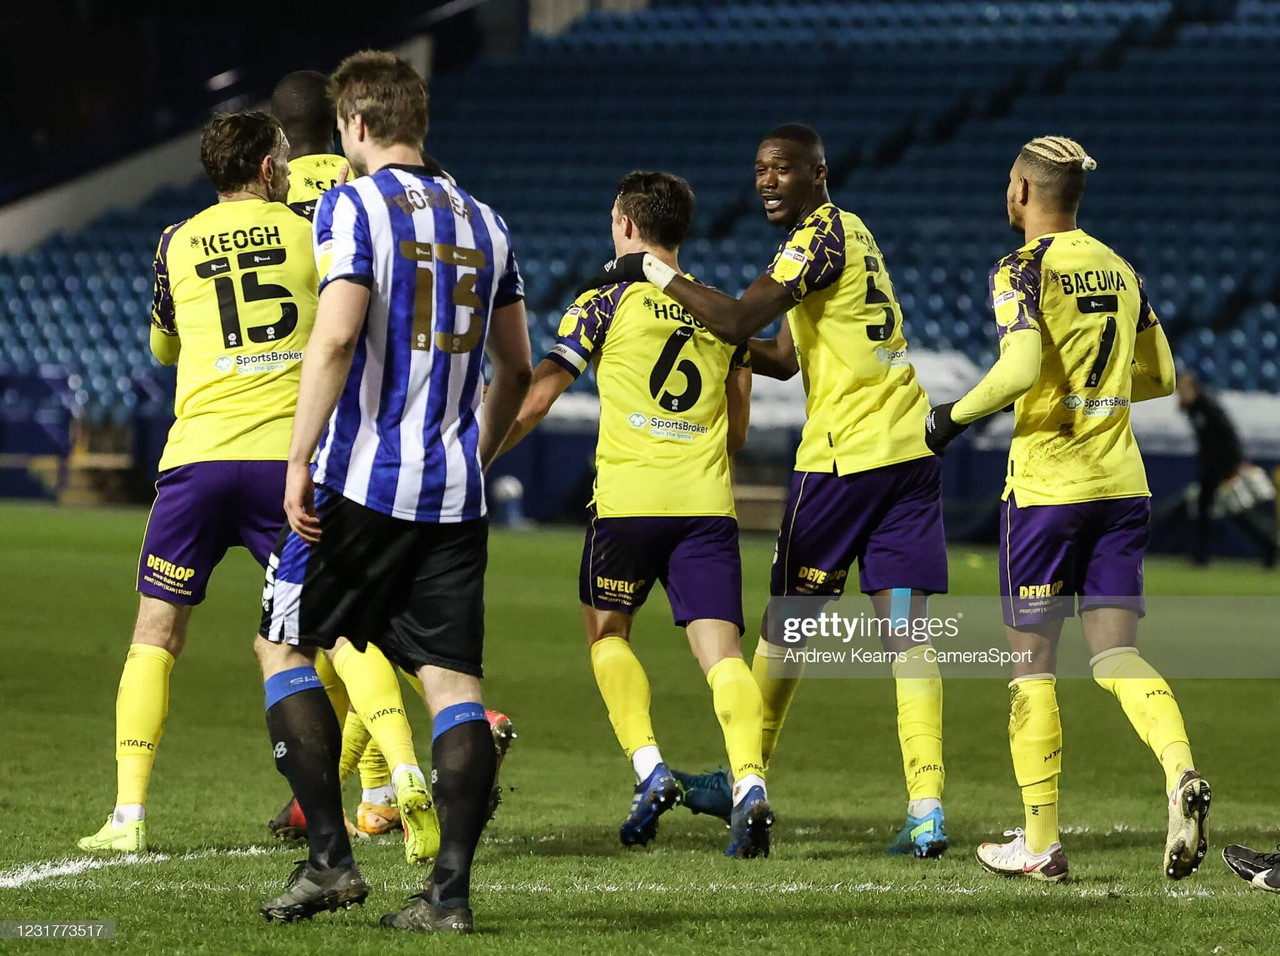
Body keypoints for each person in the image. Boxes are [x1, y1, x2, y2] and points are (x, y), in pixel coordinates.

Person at [580, 124, 950, 858]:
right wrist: (709, 334)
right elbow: (780, 354)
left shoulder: (815, 238)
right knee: (908, 638)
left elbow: (744, 318)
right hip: (909, 455)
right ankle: (927, 806)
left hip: (845, 463)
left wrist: (651, 277)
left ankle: (746, 774)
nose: (766, 181)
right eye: (759, 170)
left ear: (820, 173)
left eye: (782, 168)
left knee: (788, 631)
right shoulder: (854, 232)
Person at [255, 51, 531, 931]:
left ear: (358, 127)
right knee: (453, 689)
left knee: (281, 642)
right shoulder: (488, 221)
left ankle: (332, 861)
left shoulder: (350, 202)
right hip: (453, 493)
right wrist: (475, 455)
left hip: (360, 481)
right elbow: (516, 368)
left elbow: (335, 340)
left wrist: (299, 459)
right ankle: (447, 896)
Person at [924, 135, 1210, 883]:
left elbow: (1017, 368)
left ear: (1022, 190)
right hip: (1122, 485)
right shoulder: (1120, 269)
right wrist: (1097, 392)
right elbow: (1161, 373)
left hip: (1051, 492)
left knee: (1032, 668)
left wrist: (950, 418)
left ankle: (1042, 844)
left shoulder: (1021, 267)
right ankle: (1181, 771)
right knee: (1116, 655)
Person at [502, 171, 771, 858]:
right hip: (705, 508)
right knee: (723, 657)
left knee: (608, 635)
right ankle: (750, 783)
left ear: (626, 225)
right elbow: (738, 435)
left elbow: (533, 402)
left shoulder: (602, 303)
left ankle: (650, 769)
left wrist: (473, 458)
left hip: (627, 505)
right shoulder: (723, 313)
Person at [77, 111, 317, 854]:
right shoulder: (312, 231)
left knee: (155, 634)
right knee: (309, 642)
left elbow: (161, 344)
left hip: (197, 458)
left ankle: (128, 817)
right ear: (270, 169)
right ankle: (376, 787)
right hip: (287, 461)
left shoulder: (173, 240)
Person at [1175, 371, 1277, 567]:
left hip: (1226, 467)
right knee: (1204, 509)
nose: (1179, 392)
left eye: (1183, 388)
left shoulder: (1209, 406)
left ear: (1194, 387)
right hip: (1210, 468)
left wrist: (1238, 464)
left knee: (1239, 513)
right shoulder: (1193, 408)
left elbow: (1229, 435)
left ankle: (1270, 547)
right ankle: (1201, 556)